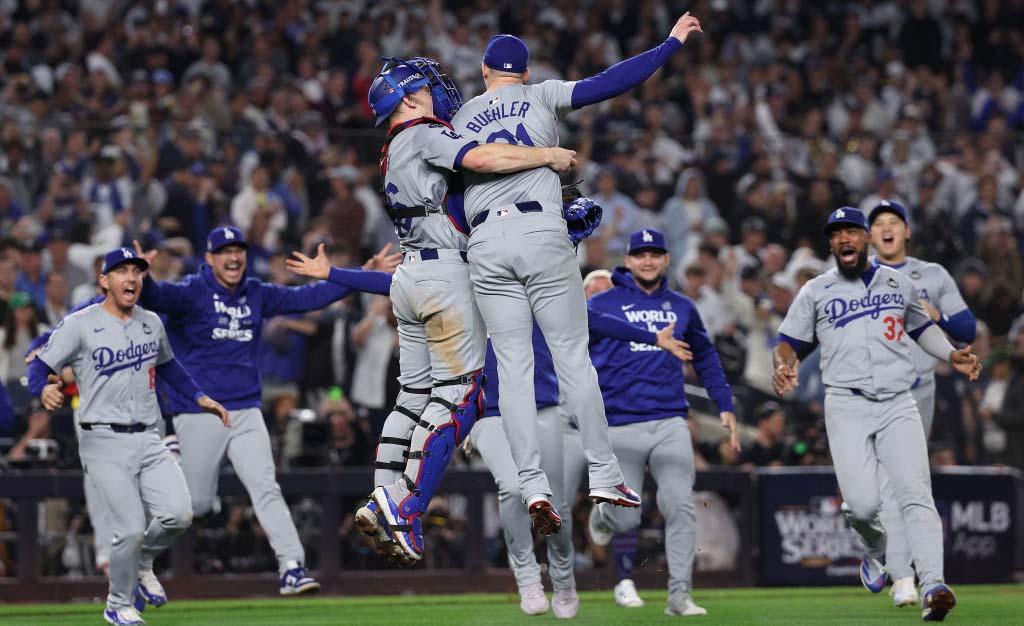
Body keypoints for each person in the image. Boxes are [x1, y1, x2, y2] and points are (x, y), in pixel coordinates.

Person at [289, 231, 691, 619]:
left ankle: (564, 578)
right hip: (489, 408)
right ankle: (527, 575)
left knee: (557, 504)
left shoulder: (531, 289)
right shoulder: (460, 283)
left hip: (542, 406)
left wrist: (654, 338)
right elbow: (396, 283)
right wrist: (334, 275)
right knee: (514, 488)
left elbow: (592, 320)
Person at [450, 11, 706, 533]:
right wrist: (669, 45)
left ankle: (532, 482)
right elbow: (613, 81)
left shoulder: (459, 120)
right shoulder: (541, 94)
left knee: (515, 369)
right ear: (523, 72)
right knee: (572, 359)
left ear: (483, 71)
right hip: (541, 232)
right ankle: (605, 473)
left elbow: (451, 198)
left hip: (485, 242)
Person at [330, 54, 581, 563]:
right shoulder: (421, 130)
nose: (435, 89)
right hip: (445, 274)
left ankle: (383, 495)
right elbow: (483, 159)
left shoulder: (392, 146)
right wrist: (547, 156)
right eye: (424, 84)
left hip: (410, 277)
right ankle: (402, 505)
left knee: (413, 396)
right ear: (405, 97)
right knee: (461, 397)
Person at [132, 226, 393, 594]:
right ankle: (141, 556)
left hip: (246, 408)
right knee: (196, 505)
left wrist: (362, 274)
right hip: (200, 410)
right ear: (209, 258)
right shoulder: (193, 291)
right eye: (224, 251)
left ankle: (291, 567)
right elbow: (157, 297)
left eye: (238, 250)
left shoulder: (256, 292)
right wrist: (142, 276)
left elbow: (309, 299)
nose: (233, 257)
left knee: (265, 486)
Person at [773, 207, 981, 623]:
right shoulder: (816, 290)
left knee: (916, 493)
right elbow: (788, 340)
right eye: (836, 234)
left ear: (865, 238)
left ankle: (934, 585)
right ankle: (875, 551)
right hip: (846, 403)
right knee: (864, 507)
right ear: (831, 244)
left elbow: (921, 327)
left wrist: (952, 353)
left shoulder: (898, 283)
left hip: (897, 400)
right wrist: (784, 363)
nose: (844, 239)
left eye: (852, 231)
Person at [27, 247, 229, 626]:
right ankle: (118, 604)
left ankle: (143, 562)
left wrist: (201, 397)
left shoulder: (151, 321)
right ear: (104, 280)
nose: (131, 278)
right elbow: (39, 364)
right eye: (121, 272)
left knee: (179, 515)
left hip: (148, 436)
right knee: (131, 527)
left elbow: (169, 368)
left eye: (136, 271)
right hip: (102, 439)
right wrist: (42, 390)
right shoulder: (80, 323)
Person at [580, 228, 739, 617]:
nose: (648, 260)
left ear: (667, 260)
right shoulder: (602, 303)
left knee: (680, 504)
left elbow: (705, 357)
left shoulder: (683, 306)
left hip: (670, 420)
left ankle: (679, 596)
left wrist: (724, 403)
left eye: (655, 254)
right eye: (640, 255)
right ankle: (602, 514)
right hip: (618, 423)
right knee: (625, 515)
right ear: (629, 261)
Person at [868, 199, 977, 607]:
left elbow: (968, 327)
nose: (887, 228)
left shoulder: (931, 274)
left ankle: (904, 575)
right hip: (875, 391)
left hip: (921, 389)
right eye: (879, 223)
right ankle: (891, 564)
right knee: (881, 491)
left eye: (894, 221)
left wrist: (937, 317)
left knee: (908, 483)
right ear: (869, 235)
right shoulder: (861, 277)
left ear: (907, 231)